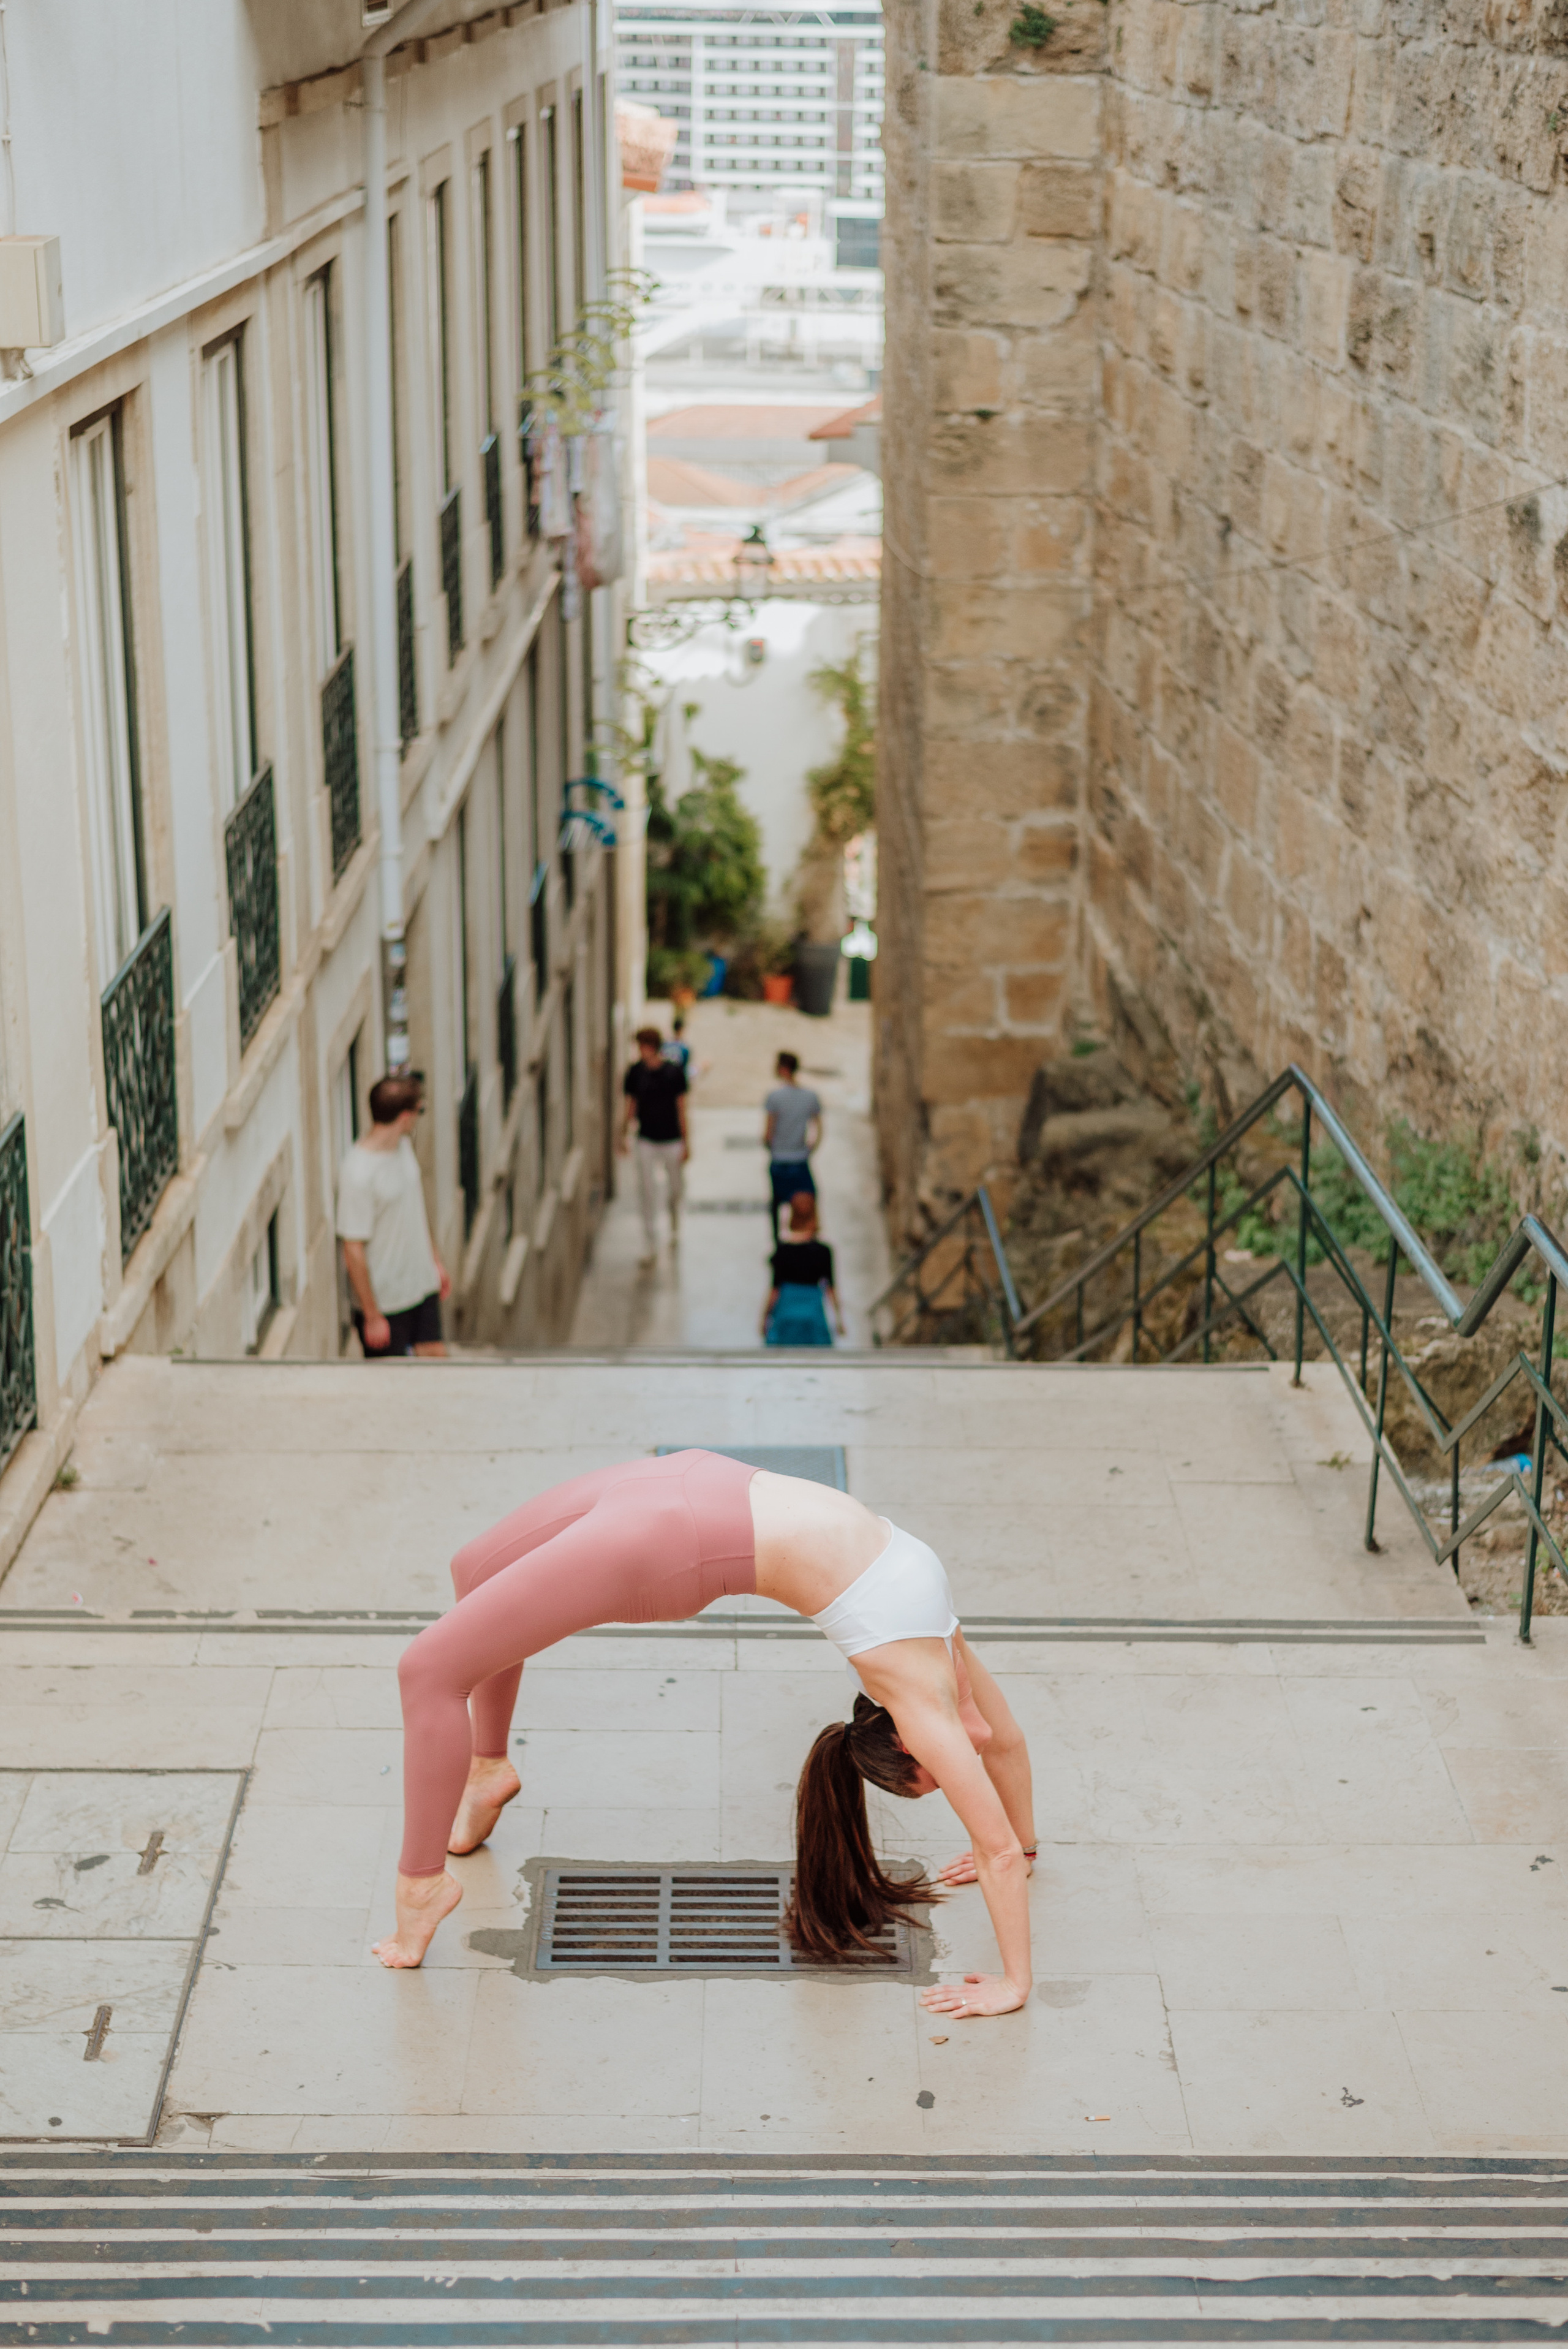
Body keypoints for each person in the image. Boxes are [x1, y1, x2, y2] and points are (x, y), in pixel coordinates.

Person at [373, 1451, 1037, 2030]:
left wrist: (1028, 1847)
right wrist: (1014, 1981)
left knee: (436, 1652)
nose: (963, 1766)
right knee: (463, 1592)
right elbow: (998, 1850)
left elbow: (1002, 1743)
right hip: (674, 1515)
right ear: (912, 1746)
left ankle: (425, 1877)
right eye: (944, 1774)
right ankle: (479, 1784)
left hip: (682, 1504)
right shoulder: (924, 1700)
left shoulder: (933, 1643)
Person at [336, 1073, 450, 1358]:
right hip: (387, 1302)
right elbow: (352, 1249)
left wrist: (435, 1263)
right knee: (392, 1379)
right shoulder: (358, 1173)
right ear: (405, 1117)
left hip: (421, 1285)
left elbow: (415, 1210)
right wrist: (372, 1315)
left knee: (438, 1359)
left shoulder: (403, 1148)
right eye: (419, 1110)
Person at [620, 1026, 688, 1269]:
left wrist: (686, 1141)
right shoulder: (635, 1073)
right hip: (646, 1140)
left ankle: (674, 1224)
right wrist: (623, 1134)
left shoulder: (674, 1072)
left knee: (675, 1188)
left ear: (652, 1047)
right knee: (646, 1192)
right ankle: (650, 1243)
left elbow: (681, 1107)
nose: (641, 1050)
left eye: (643, 1046)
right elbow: (631, 1105)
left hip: (672, 1139)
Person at [761, 1191, 845, 1347]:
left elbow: (775, 1289)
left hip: (786, 1312)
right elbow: (830, 1288)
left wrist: (764, 1318)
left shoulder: (782, 1251)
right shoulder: (824, 1251)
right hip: (813, 1313)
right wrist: (839, 1319)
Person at [764, 1051, 822, 1243]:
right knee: (809, 1203)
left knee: (777, 1204)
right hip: (799, 1159)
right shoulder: (810, 1096)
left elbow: (768, 1133)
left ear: (783, 1069)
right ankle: (809, 1243)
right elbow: (818, 1129)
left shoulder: (774, 1097)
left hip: (780, 1159)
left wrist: (772, 1146)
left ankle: (778, 1243)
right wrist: (809, 1148)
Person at [662, 1013, 692, 1078]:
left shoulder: (666, 1044)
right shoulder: (684, 1047)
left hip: (665, 1075)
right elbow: (685, 1067)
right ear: (681, 1030)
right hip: (677, 1076)